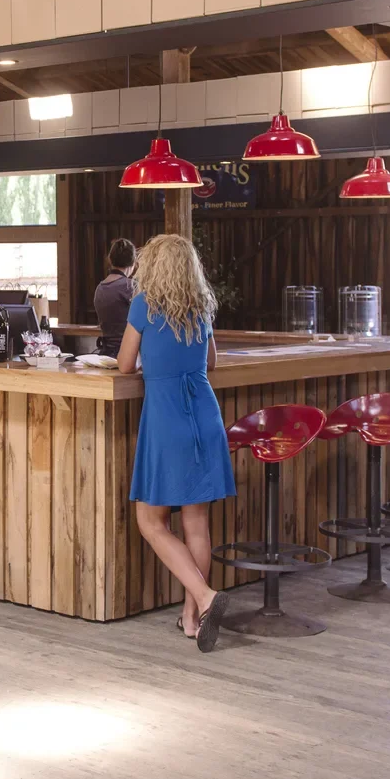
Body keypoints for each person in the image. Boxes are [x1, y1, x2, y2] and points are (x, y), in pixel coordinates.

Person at [116, 233, 235, 652]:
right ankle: (192, 618)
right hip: (205, 414)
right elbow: (212, 362)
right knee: (196, 521)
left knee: (150, 521)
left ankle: (204, 599)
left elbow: (125, 363)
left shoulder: (144, 305)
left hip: (166, 418)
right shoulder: (200, 307)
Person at [93, 238, 137, 356]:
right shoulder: (130, 286)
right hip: (128, 353)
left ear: (110, 260)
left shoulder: (100, 288)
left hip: (105, 352)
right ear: (133, 263)